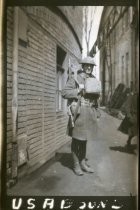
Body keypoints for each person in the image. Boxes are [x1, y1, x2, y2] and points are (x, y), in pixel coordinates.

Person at [62, 56, 101, 176]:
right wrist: (78, 91)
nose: (89, 67)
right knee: (76, 140)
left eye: (91, 66)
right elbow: (65, 93)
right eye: (87, 65)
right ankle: (76, 165)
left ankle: (83, 163)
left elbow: (95, 97)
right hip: (78, 112)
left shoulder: (94, 79)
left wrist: (97, 109)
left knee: (84, 140)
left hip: (89, 112)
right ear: (83, 66)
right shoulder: (76, 78)